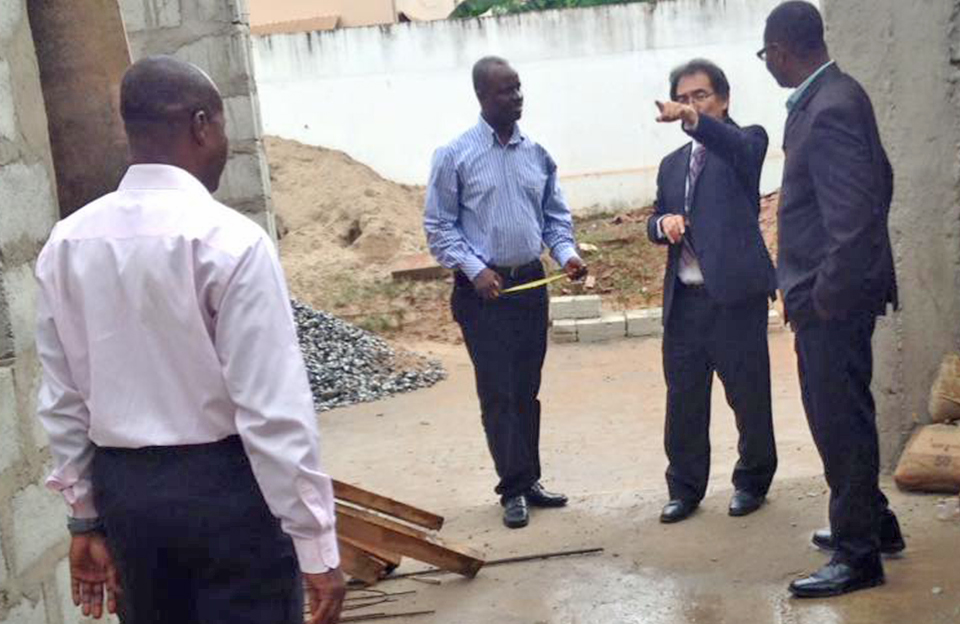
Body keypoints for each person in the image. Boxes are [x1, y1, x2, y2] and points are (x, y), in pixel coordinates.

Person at [35, 56, 346, 623]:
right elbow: (272, 412)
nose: (224, 142)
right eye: (222, 126)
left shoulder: (67, 244)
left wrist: (84, 517)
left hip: (128, 498)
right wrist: (316, 544)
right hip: (227, 494)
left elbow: (62, 400)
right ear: (201, 125)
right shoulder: (231, 242)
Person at [761, 1, 904, 598]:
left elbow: (853, 218)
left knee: (839, 422)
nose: (766, 63)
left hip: (833, 304)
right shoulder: (835, 97)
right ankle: (875, 524)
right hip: (833, 297)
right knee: (842, 415)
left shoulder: (830, 106)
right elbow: (882, 181)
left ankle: (857, 554)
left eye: (765, 54)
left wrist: (823, 297)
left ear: (782, 51)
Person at [424, 56, 587, 529]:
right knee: (498, 390)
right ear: (481, 97)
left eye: (518, 88)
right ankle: (511, 488)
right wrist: (475, 269)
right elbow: (438, 225)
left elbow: (554, 218)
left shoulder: (537, 154)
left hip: (530, 287)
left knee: (526, 389)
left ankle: (530, 479)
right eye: (504, 91)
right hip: (484, 294)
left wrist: (567, 255)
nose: (516, 98)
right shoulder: (454, 156)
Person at [647, 60, 778, 524]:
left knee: (748, 395)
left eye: (700, 96)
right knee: (684, 399)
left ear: (723, 100)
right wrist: (662, 224)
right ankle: (684, 488)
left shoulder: (746, 144)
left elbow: (733, 144)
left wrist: (693, 120)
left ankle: (752, 481)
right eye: (683, 98)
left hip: (735, 299)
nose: (691, 105)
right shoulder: (671, 165)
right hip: (685, 301)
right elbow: (654, 217)